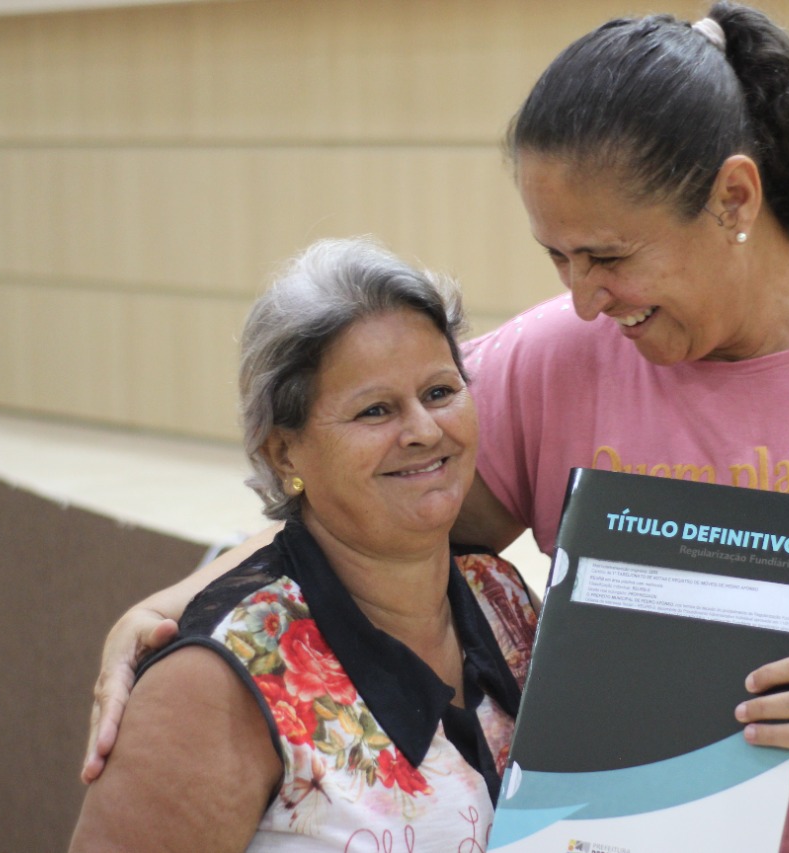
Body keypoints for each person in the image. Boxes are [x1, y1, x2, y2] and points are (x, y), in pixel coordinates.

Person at [81, 4, 789, 851]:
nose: (584, 297)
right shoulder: (557, 356)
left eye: (609, 256)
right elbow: (371, 511)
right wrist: (184, 604)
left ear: (734, 198)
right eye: (557, 257)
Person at [69, 237, 538, 851]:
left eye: (440, 392)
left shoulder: (500, 596)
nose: (425, 431)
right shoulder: (213, 684)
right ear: (284, 452)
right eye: (375, 411)